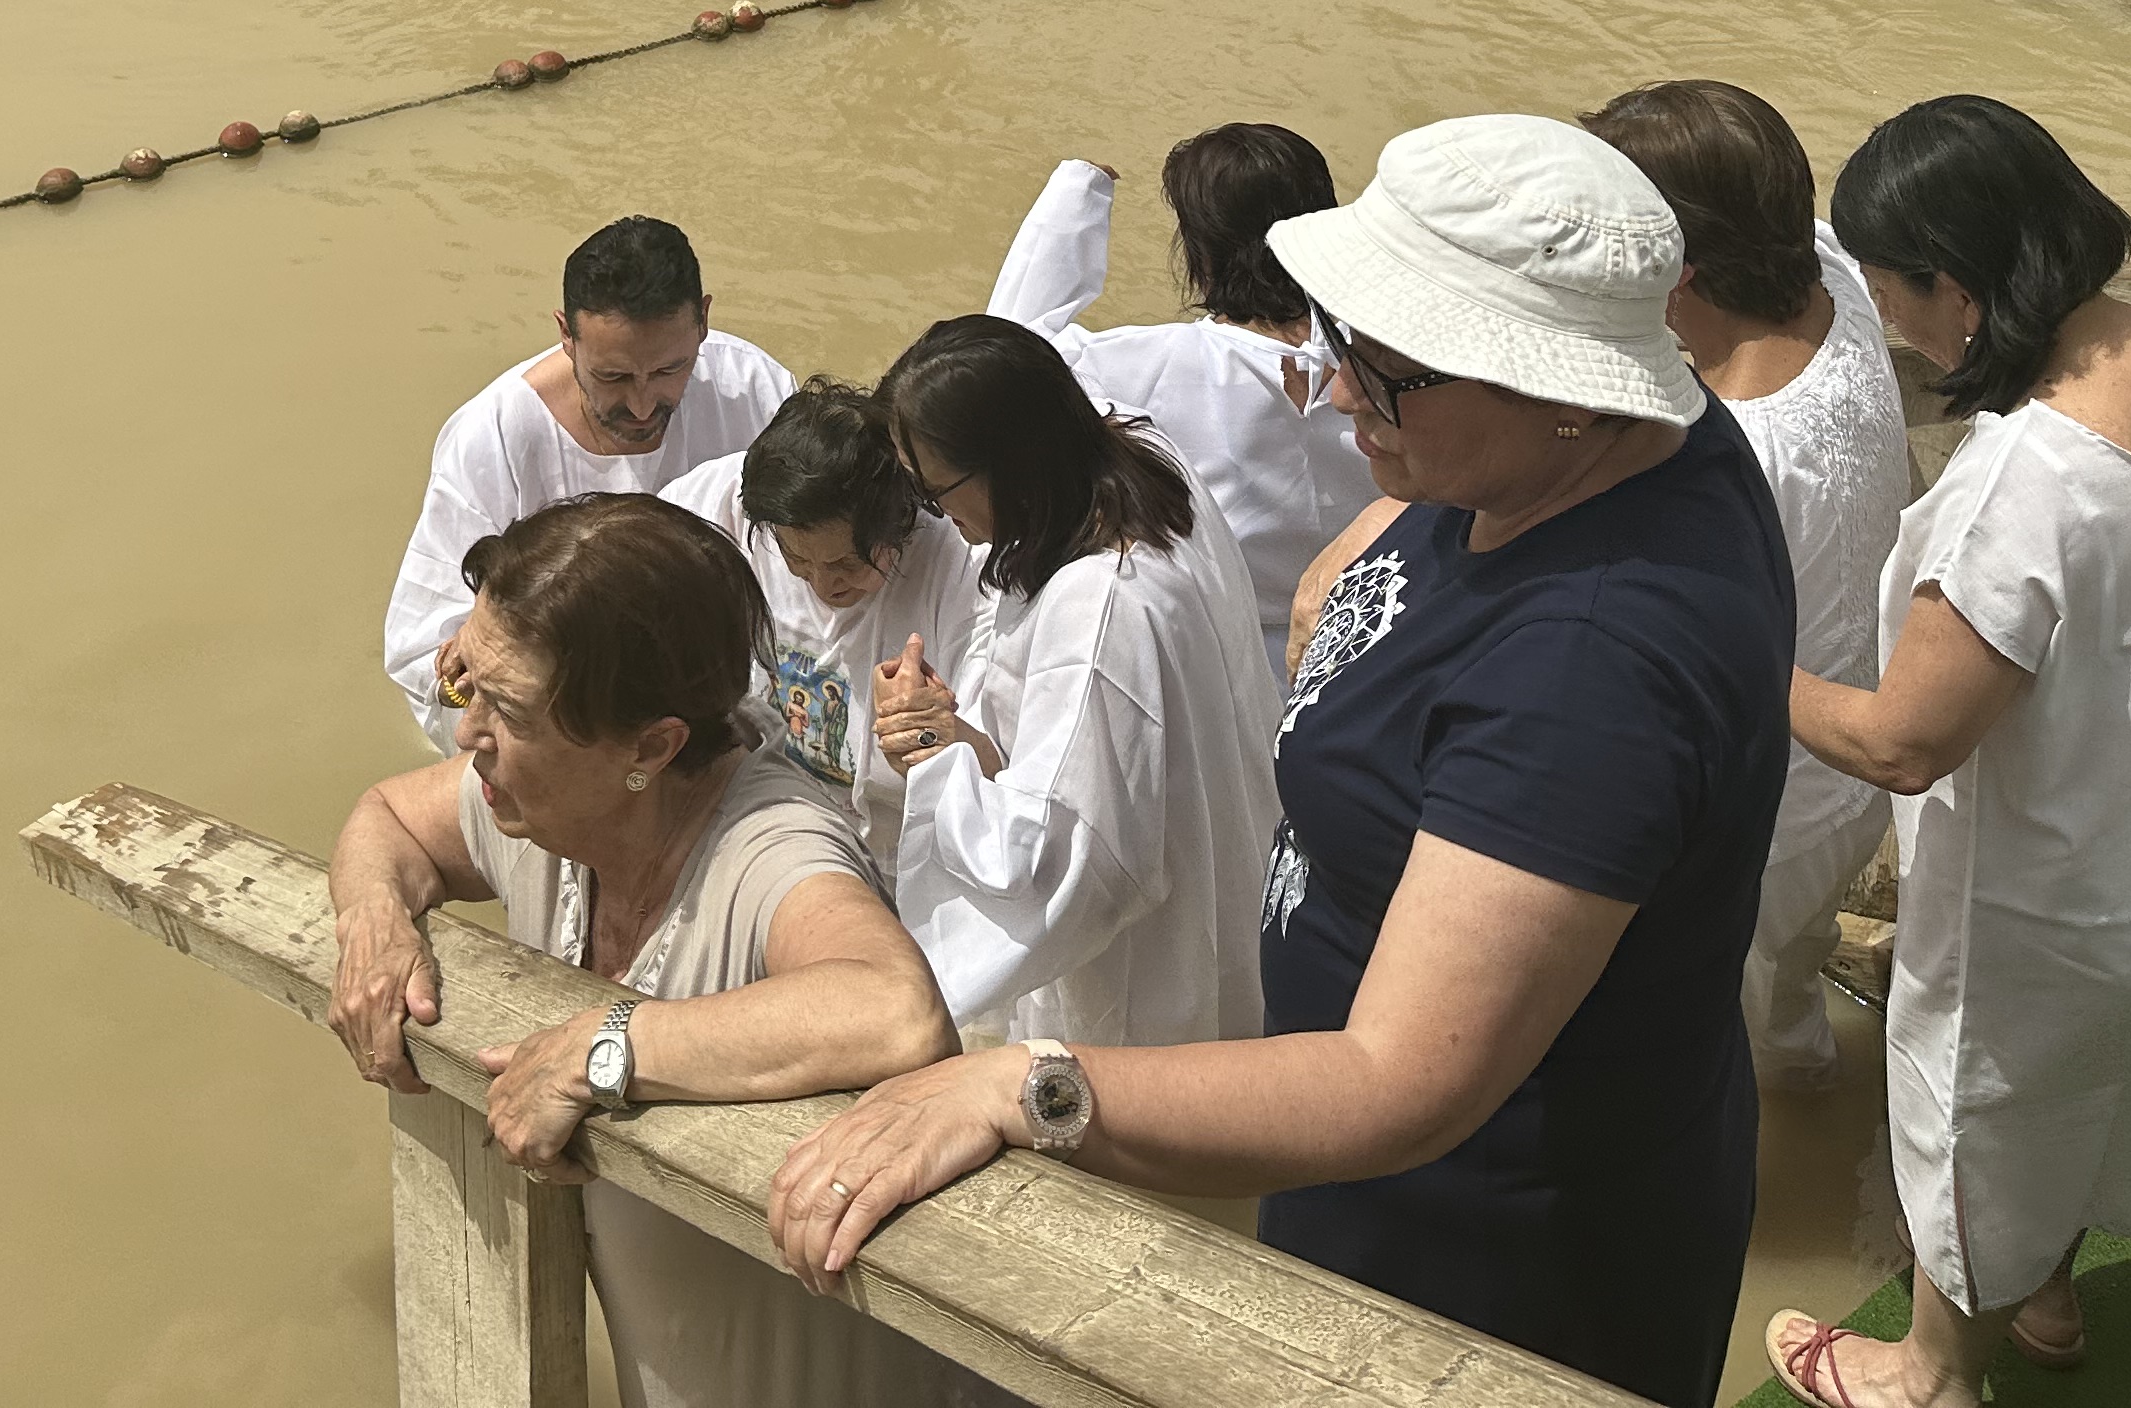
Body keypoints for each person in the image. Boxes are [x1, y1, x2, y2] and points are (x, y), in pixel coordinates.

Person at [766, 118, 1793, 1408]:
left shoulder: (1590, 672)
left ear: (1572, 394)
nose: (1339, 392)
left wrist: (1019, 1089)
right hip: (1357, 1181)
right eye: (1339, 340)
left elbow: (1397, 1078)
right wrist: (1369, 539)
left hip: (1484, 1253)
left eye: (1391, 374)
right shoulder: (1595, 458)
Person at [1761, 98, 2131, 1408]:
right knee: (2098, 1098)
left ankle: (1929, 1375)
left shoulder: (2022, 487)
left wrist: (1748, 668)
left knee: (1985, 1122)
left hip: (2055, 894)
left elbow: (1900, 744)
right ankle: (2046, 1301)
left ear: (1957, 288)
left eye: (1893, 296)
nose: (1892, 329)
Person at [324, 494, 960, 1408]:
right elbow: (385, 819)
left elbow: (894, 1010)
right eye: (470, 688)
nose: (469, 735)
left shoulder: (769, 846)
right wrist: (375, 923)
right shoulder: (532, 802)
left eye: (504, 708)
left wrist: (607, 1046)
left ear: (652, 747)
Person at [1584, 77, 1913, 1088]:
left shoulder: (1733, 453)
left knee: (1734, 1030)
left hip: (1775, 801)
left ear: (1673, 271)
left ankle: (1791, 1162)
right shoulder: (1826, 274)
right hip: (1842, 746)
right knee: (1776, 986)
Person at [865, 313, 1279, 1050]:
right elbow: (1090, 769)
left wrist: (936, 755)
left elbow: (1064, 863)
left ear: (1010, 463)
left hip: (1146, 983)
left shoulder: (1101, 609)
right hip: (1227, 884)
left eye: (937, 490)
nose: (939, 514)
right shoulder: (1145, 463)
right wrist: (968, 738)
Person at [383, 216, 794, 748]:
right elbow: (424, 644)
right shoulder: (496, 436)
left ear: (704, 323)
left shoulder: (757, 391)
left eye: (671, 370)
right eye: (614, 377)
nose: (644, 405)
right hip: (566, 716)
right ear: (566, 336)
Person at [982, 129, 1378, 673]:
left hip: (1232, 661)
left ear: (1202, 252)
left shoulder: (1157, 365)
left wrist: (1079, 193)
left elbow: (1001, 357)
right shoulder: (1388, 348)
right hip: (1376, 627)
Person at [666, 379, 986, 881]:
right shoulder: (728, 500)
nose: (822, 584)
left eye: (847, 563)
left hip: (905, 868)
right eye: (797, 559)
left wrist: (927, 733)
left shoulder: (964, 569)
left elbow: (1009, 775)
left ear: (901, 520)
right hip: (763, 835)